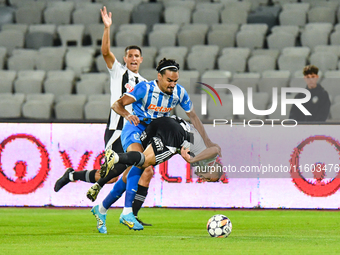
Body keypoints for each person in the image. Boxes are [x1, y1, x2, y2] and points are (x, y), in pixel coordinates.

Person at [90, 58, 218, 233]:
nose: (173, 85)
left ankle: (102, 208)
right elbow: (116, 104)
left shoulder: (179, 93)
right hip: (135, 127)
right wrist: (127, 115)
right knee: (140, 162)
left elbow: (194, 117)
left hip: (155, 132)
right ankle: (127, 212)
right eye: (169, 80)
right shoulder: (145, 88)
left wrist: (207, 140)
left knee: (134, 172)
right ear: (159, 76)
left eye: (175, 81)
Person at [54, 6, 153, 226]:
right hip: (116, 130)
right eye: (130, 56)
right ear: (126, 59)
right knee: (110, 176)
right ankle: (72, 176)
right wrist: (107, 28)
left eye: (137, 56)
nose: (133, 59)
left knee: (145, 169)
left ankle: (131, 215)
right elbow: (106, 52)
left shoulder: (145, 84)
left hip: (134, 134)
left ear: (142, 59)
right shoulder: (118, 71)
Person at [91, 116, 222, 233]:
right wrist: (192, 159)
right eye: (209, 177)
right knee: (144, 162)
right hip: (173, 135)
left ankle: (102, 208)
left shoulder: (200, 151)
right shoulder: (206, 156)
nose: (204, 179)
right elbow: (208, 150)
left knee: (134, 168)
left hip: (161, 123)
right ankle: (117, 160)